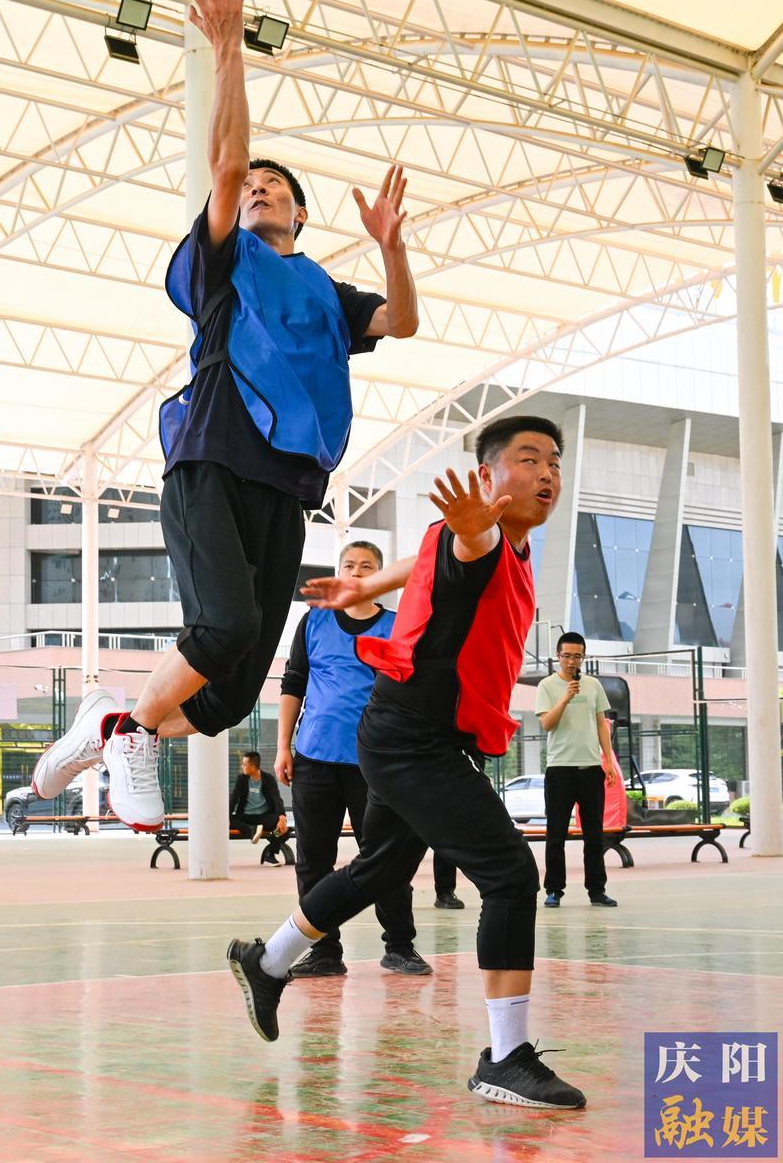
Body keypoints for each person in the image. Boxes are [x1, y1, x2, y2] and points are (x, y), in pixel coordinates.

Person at [32, 0, 419, 828]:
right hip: (210, 461)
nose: (258, 188)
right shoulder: (224, 264)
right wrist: (228, 45)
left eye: (275, 186)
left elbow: (401, 320)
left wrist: (393, 246)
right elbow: (228, 158)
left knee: (234, 691)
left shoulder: (325, 292)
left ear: (302, 214)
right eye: (249, 187)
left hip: (286, 488)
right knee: (224, 632)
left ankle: (110, 724)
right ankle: (131, 734)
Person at [227, 417, 589, 1111]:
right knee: (511, 875)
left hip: (412, 733)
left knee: (382, 868)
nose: (547, 473)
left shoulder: (506, 547)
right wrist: (471, 530)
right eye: (528, 459)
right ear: (486, 476)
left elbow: (425, 556)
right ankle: (505, 1058)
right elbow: (464, 543)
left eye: (554, 462)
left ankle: (267, 962)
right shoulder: (480, 538)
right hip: (412, 738)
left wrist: (362, 591)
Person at [277, 539, 430, 979]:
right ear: (339, 572)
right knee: (313, 861)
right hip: (314, 757)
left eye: (367, 566)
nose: (357, 572)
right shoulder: (314, 620)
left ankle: (400, 946)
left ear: (381, 576)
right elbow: (293, 683)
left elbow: (412, 692)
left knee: (384, 857)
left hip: (376, 761)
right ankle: (325, 951)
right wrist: (284, 745)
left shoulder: (398, 625)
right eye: (349, 565)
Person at [536, 632, 617, 909]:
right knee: (556, 834)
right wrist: (565, 698)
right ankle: (554, 890)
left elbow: (601, 725)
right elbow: (547, 724)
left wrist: (608, 761)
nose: (572, 661)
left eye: (577, 656)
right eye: (567, 656)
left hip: (591, 769)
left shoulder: (593, 685)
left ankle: (597, 890)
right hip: (560, 770)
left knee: (594, 834)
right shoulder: (547, 686)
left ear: (584, 657)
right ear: (558, 656)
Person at [229, 752, 286, 843]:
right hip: (245, 817)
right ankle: (251, 830)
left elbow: (276, 798)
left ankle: (270, 850)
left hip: (264, 818)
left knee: (282, 828)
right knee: (227, 819)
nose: (242, 767)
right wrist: (227, 816)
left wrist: (282, 816)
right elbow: (234, 798)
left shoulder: (268, 779)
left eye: (244, 764)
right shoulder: (241, 779)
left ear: (252, 767)